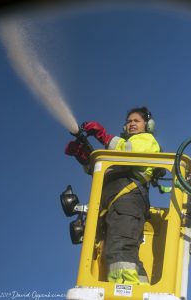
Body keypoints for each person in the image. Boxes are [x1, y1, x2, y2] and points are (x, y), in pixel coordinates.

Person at [65, 106, 160, 285]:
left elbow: (129, 151)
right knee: (115, 253)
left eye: (136, 121)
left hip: (127, 205)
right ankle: (136, 289)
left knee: (121, 251)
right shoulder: (117, 156)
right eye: (129, 121)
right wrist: (85, 158)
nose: (131, 124)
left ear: (148, 126)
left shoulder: (146, 140)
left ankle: (127, 291)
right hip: (115, 208)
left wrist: (104, 136)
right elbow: (106, 173)